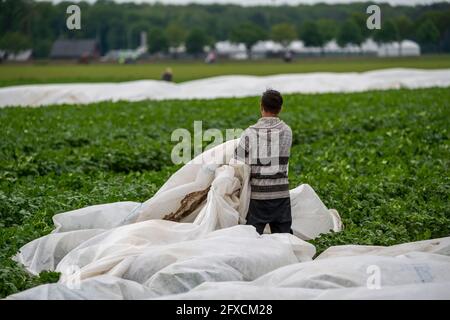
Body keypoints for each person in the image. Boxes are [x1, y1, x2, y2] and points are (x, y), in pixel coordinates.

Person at [233, 89, 293, 234]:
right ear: (280, 108)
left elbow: (237, 161)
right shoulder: (287, 131)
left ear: (261, 106)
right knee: (285, 239)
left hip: (258, 196)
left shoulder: (249, 132)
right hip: (281, 194)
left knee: (253, 239)